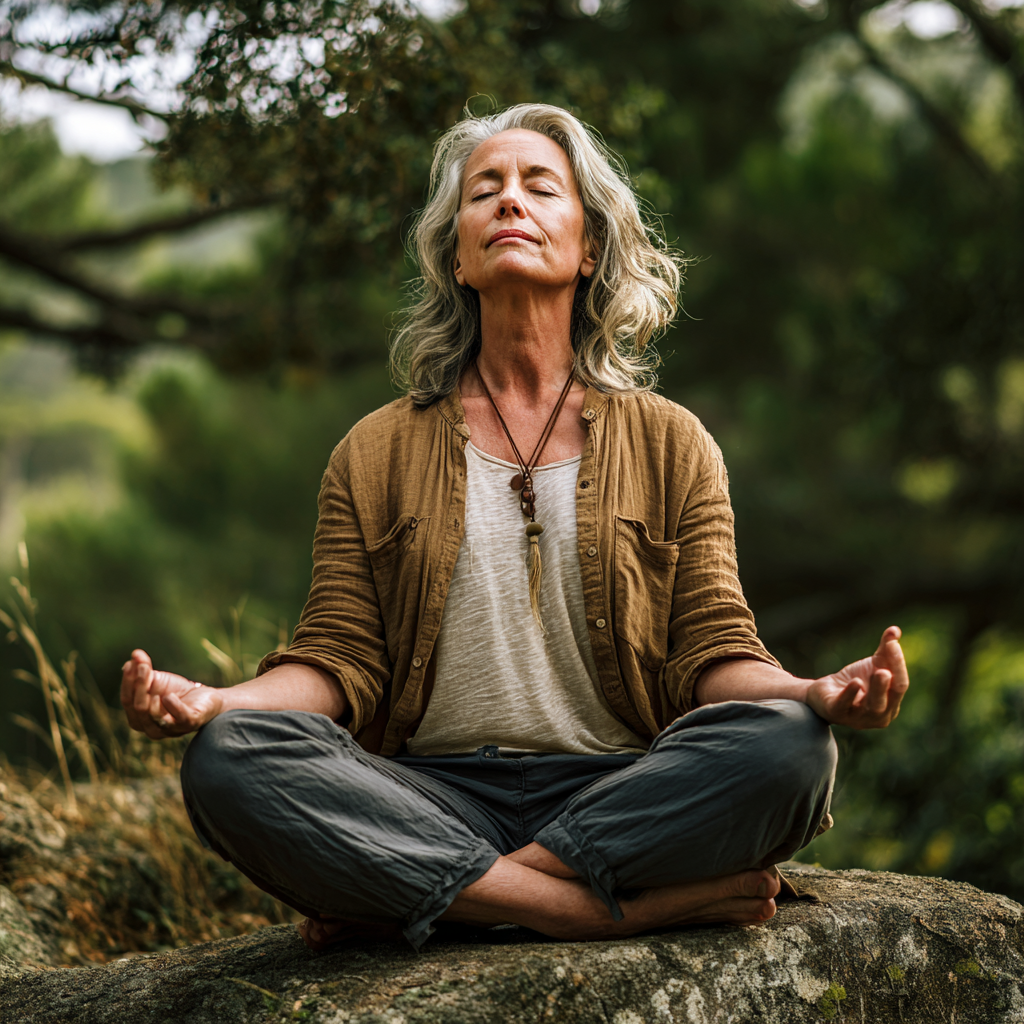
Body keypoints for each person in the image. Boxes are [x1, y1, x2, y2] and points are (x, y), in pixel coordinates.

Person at [120, 103, 909, 953]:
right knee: (228, 760)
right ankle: (599, 907)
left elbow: (713, 653)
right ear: (457, 255)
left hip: (620, 788)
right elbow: (338, 660)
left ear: (590, 245)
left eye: (540, 187)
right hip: (425, 793)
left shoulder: (673, 441)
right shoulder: (373, 450)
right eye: (483, 191)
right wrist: (218, 702)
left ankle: (432, 890)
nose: (509, 202)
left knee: (792, 751)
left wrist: (811, 694)